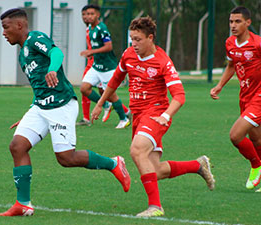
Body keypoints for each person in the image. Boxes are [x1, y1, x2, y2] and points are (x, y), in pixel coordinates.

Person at [0, 8, 131, 217]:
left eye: (6, 28)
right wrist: (29, 112)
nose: (3, 33)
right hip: (41, 107)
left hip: (61, 105)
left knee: (66, 159)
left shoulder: (35, 38)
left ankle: (114, 163)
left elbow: (56, 52)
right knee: (17, 146)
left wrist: (53, 68)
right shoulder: (22, 56)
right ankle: (23, 204)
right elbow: (38, 88)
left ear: (20, 26)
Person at [92, 16, 215, 217]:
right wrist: (99, 103)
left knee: (137, 150)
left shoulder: (163, 62)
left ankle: (155, 207)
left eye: (138, 39)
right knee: (155, 170)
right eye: (132, 39)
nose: (134, 44)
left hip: (157, 114)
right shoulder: (129, 55)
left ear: (150, 38)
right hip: (139, 116)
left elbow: (179, 96)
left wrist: (166, 116)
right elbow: (115, 80)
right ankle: (197, 165)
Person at [210, 6, 261, 191]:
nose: (233, 25)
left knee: (235, 135)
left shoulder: (257, 44)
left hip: (259, 97)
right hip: (245, 97)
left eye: (238, 21)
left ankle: (256, 166)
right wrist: (219, 85)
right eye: (231, 21)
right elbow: (232, 65)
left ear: (248, 23)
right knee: (256, 139)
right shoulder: (230, 43)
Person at [80, 4, 131, 129]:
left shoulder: (102, 28)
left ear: (98, 15)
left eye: (92, 14)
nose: (89, 16)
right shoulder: (91, 28)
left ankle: (124, 119)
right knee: (84, 88)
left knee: (111, 95)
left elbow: (109, 47)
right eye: (87, 14)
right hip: (97, 67)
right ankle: (106, 105)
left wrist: (92, 52)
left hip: (108, 68)